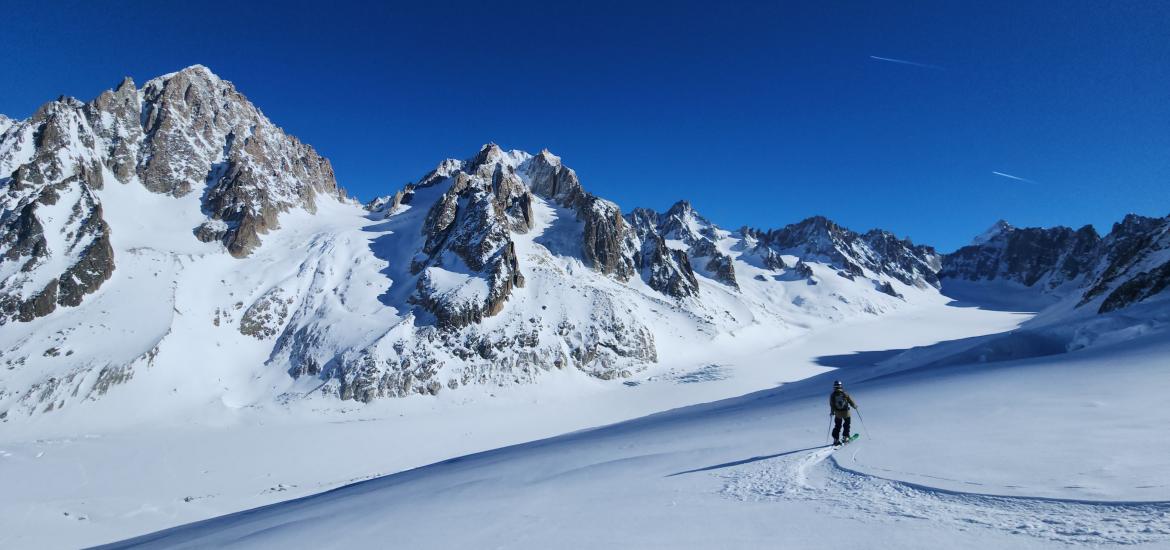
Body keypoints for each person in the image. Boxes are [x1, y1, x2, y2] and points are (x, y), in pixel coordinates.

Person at [829, 380, 857, 446]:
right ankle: (845, 437)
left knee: (837, 426)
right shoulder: (844, 393)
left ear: (834, 386)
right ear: (841, 386)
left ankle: (836, 439)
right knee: (847, 425)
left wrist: (832, 412)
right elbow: (850, 401)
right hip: (846, 412)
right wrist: (854, 406)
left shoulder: (832, 395)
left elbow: (832, 405)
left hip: (838, 413)